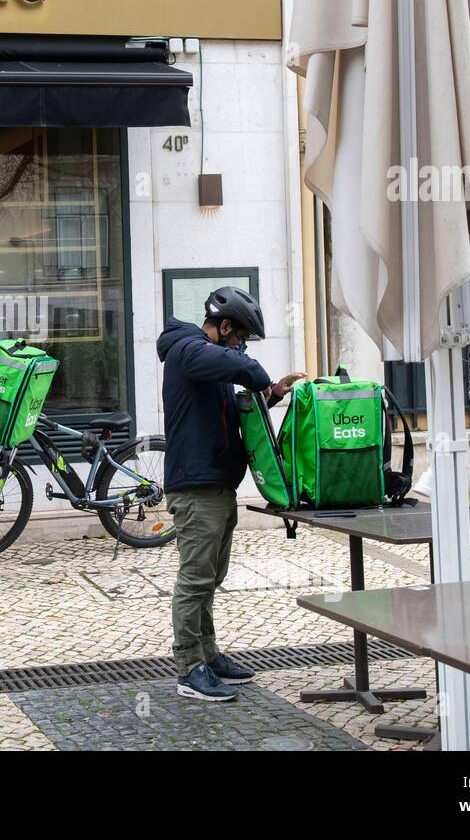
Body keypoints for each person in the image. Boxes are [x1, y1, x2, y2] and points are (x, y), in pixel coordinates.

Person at [156, 286, 306, 702]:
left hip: (219, 483)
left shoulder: (208, 360)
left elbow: (240, 399)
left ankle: (209, 653)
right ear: (223, 327)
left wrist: (273, 393)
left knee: (211, 577)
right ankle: (189, 668)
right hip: (196, 487)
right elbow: (246, 370)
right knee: (195, 579)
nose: (240, 347)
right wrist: (254, 370)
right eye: (239, 338)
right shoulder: (188, 350)